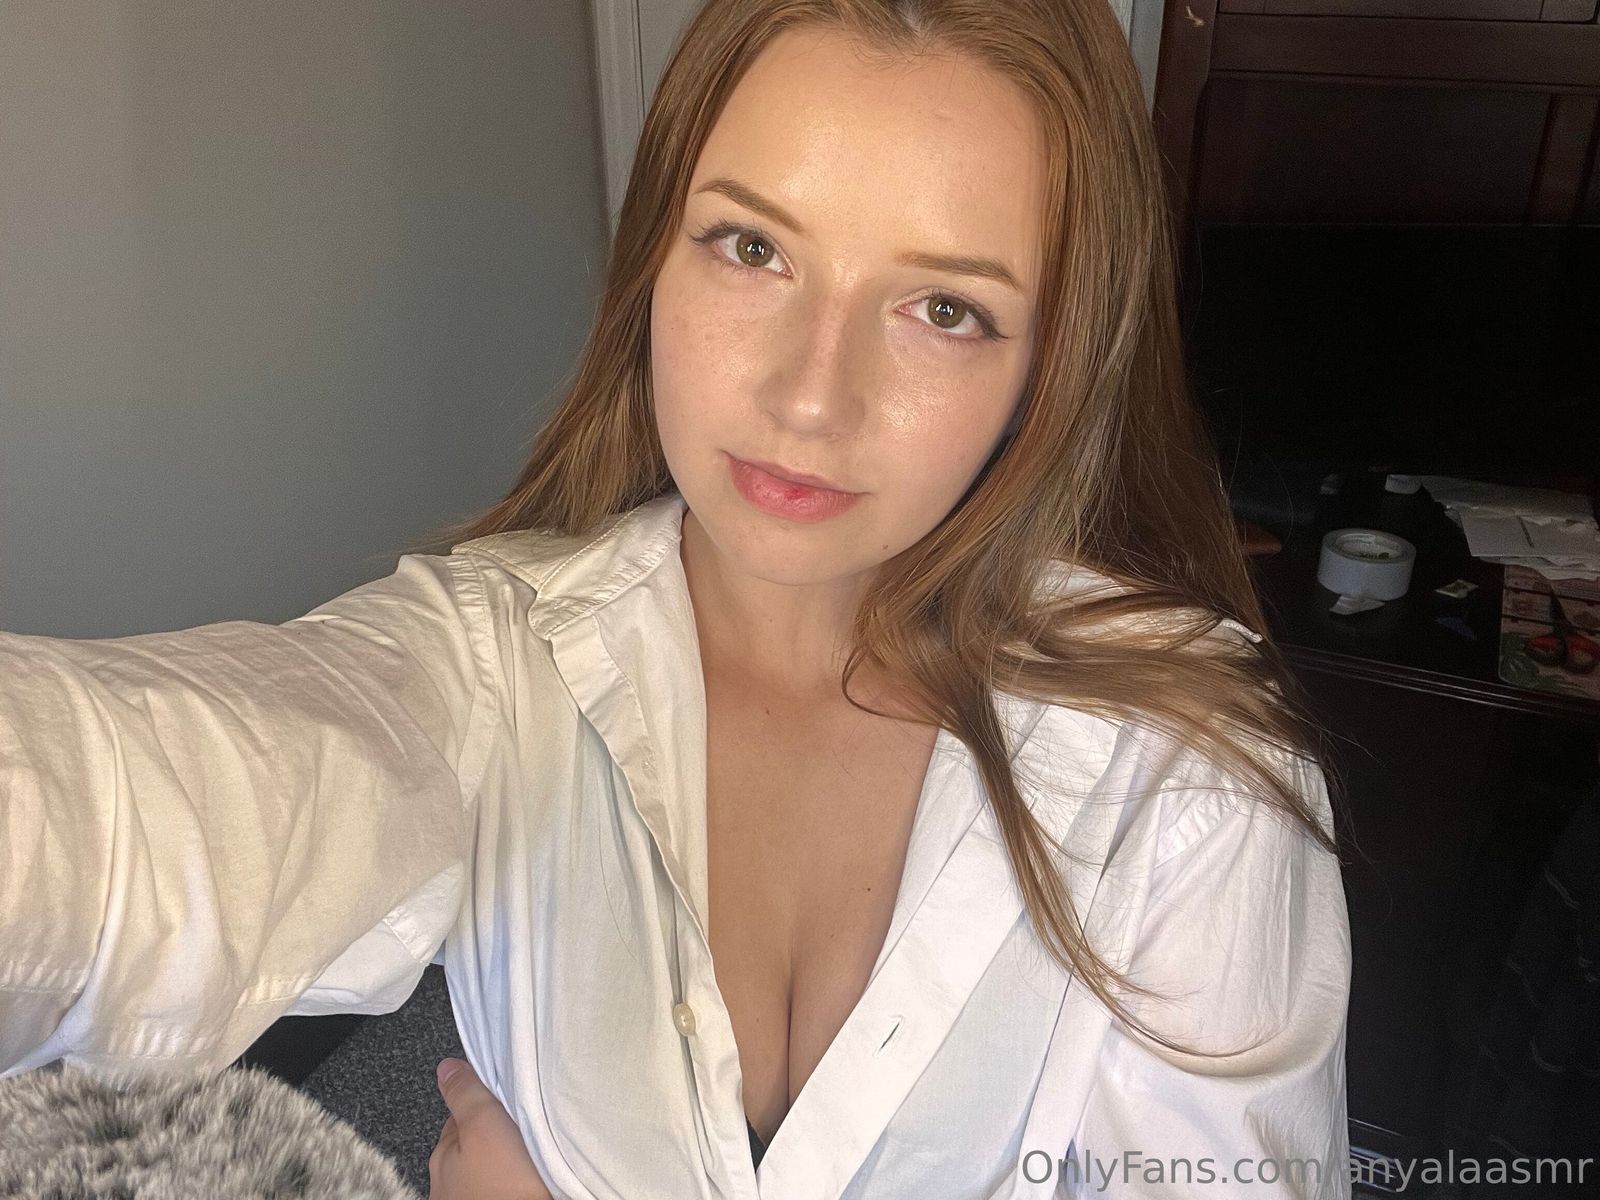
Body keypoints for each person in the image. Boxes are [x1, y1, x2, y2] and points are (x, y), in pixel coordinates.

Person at [0, 0, 1354, 1197]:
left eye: (944, 308)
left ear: (1047, 368)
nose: (810, 396)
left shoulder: (1186, 780)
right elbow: (139, 811)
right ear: (655, 249)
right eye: (752, 248)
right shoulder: (497, 658)